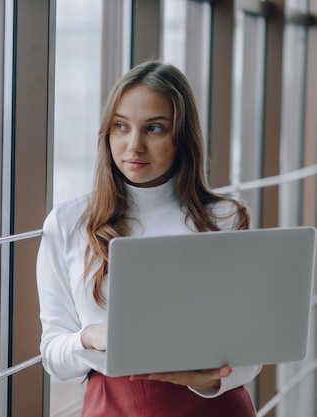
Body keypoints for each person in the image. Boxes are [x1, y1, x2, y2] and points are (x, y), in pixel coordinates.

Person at [36, 60, 261, 416]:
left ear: (182, 137)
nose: (134, 145)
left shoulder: (225, 218)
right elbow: (53, 356)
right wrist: (90, 336)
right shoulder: (68, 223)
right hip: (114, 406)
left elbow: (250, 353)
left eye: (154, 128)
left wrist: (206, 379)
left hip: (210, 406)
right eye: (121, 127)